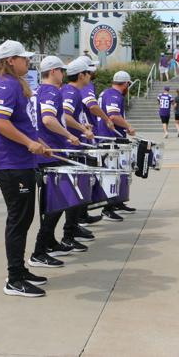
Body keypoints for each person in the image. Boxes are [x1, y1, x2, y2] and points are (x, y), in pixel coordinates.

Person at [0, 40, 49, 298]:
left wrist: (39, 143)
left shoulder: (15, 84)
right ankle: (14, 278)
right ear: (11, 60)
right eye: (24, 58)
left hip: (20, 161)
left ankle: (20, 271)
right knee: (18, 218)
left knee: (25, 218)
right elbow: (0, 122)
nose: (28, 61)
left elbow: (21, 123)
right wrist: (28, 143)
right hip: (10, 162)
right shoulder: (5, 84)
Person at [30, 56, 86, 268]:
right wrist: (69, 135)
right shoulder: (52, 91)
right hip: (51, 154)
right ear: (53, 71)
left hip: (46, 153)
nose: (63, 74)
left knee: (53, 203)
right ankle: (39, 251)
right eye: (61, 70)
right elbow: (47, 119)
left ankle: (50, 242)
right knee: (56, 203)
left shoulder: (38, 91)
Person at [60, 57, 97, 251]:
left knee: (79, 192)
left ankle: (73, 229)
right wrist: (83, 130)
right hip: (71, 147)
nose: (90, 75)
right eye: (88, 73)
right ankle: (69, 234)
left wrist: (83, 125)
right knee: (74, 193)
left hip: (75, 146)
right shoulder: (72, 92)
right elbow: (65, 116)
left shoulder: (72, 91)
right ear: (81, 75)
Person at [75, 54, 114, 228]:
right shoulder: (86, 86)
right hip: (84, 137)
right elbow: (91, 105)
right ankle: (79, 218)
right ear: (85, 72)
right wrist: (106, 118)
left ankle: (82, 215)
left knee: (86, 178)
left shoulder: (84, 85)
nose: (95, 71)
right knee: (84, 178)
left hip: (85, 133)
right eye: (92, 68)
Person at [96, 71, 137, 220]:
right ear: (125, 83)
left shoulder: (106, 92)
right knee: (112, 173)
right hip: (109, 138)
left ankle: (117, 202)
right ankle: (107, 208)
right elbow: (113, 115)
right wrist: (128, 127)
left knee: (119, 172)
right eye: (128, 84)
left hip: (110, 137)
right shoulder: (114, 95)